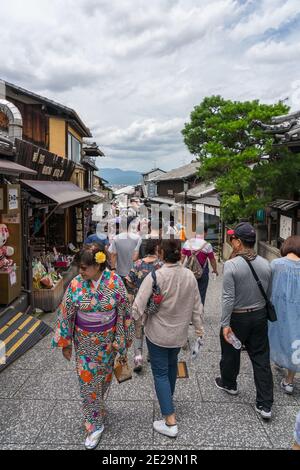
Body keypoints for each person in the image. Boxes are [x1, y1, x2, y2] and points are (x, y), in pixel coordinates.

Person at [52, 244, 133, 450]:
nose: (80, 271)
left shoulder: (115, 282)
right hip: (85, 344)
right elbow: (66, 312)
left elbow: (124, 311)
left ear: (97, 266)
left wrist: (124, 338)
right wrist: (65, 342)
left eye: (83, 268)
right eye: (79, 267)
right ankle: (94, 424)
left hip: (108, 343)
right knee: (88, 384)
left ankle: (97, 406)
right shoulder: (76, 285)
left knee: (104, 380)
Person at [132, 238, 204, 438]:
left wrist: (132, 322)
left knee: (161, 373)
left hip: (157, 333)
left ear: (161, 254)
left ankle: (170, 421)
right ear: (180, 254)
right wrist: (199, 331)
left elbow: (138, 306)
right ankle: (167, 400)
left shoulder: (156, 276)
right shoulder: (189, 276)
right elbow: (197, 308)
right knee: (172, 366)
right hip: (179, 333)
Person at [216, 222, 274, 420]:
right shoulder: (267, 264)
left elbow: (228, 298)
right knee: (261, 358)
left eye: (233, 239)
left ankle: (230, 384)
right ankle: (265, 404)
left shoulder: (231, 265)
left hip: (237, 318)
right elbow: (269, 294)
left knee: (231, 352)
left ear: (239, 243)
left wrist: (225, 324)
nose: (231, 241)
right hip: (259, 316)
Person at [124, 238, 163, 372]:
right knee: (153, 329)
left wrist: (136, 288)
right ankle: (151, 355)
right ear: (157, 249)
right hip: (156, 304)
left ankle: (138, 359)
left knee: (138, 330)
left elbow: (128, 280)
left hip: (139, 301)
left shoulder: (138, 263)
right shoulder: (161, 265)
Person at [268, 235, 300, 394]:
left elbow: (268, 287)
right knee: (295, 339)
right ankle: (289, 381)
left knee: (276, 334)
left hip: (278, 308)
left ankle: (278, 361)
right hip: (298, 311)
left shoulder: (275, 264)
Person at [181, 224, 219, 306]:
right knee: (201, 293)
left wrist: (179, 269)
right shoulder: (207, 245)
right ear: (205, 233)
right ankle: (199, 314)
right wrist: (215, 270)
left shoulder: (187, 243)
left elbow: (182, 257)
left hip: (189, 272)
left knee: (189, 294)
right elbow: (212, 260)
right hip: (202, 272)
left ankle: (189, 313)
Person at [109, 217, 142, 281]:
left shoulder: (116, 238)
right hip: (133, 272)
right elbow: (137, 256)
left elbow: (113, 255)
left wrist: (112, 269)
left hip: (119, 272)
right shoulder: (138, 238)